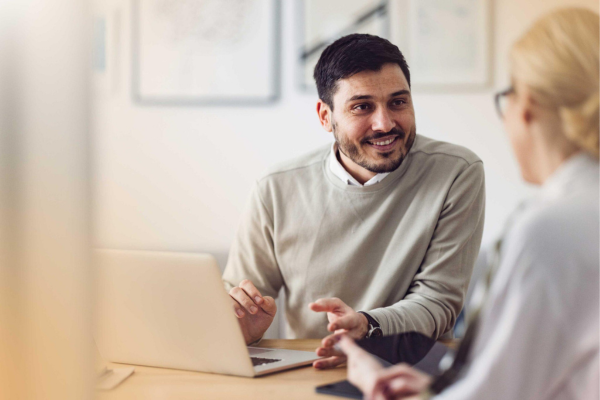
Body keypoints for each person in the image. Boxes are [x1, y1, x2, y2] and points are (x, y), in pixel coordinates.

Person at [337, 8, 600, 399]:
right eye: (362, 106)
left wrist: (374, 382)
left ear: (525, 106)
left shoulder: (549, 229)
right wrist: (437, 385)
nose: (384, 124)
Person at [222, 34, 486, 369]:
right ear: (325, 116)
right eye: (362, 106)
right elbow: (240, 300)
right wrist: (243, 325)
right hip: (310, 368)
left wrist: (367, 325)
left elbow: (438, 301)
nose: (385, 123)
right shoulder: (276, 187)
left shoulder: (456, 172)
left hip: (412, 370)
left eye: (398, 102)